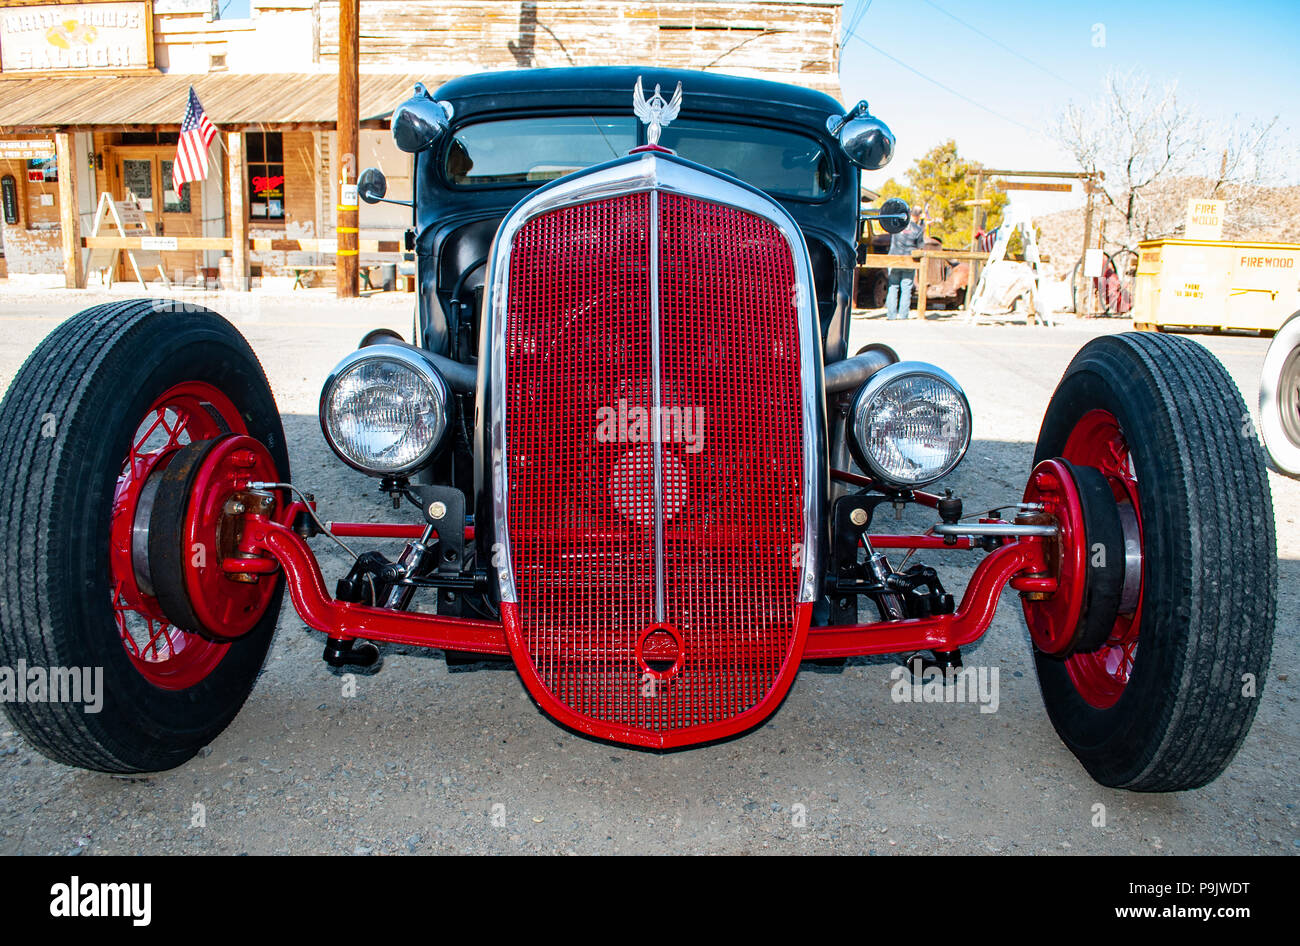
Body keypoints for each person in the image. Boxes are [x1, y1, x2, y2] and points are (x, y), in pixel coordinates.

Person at [885, 206, 925, 320]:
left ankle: (891, 315)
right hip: (909, 260)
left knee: (893, 286)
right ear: (918, 216)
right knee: (906, 288)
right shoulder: (918, 229)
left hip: (894, 258)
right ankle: (903, 315)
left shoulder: (897, 226)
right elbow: (920, 247)